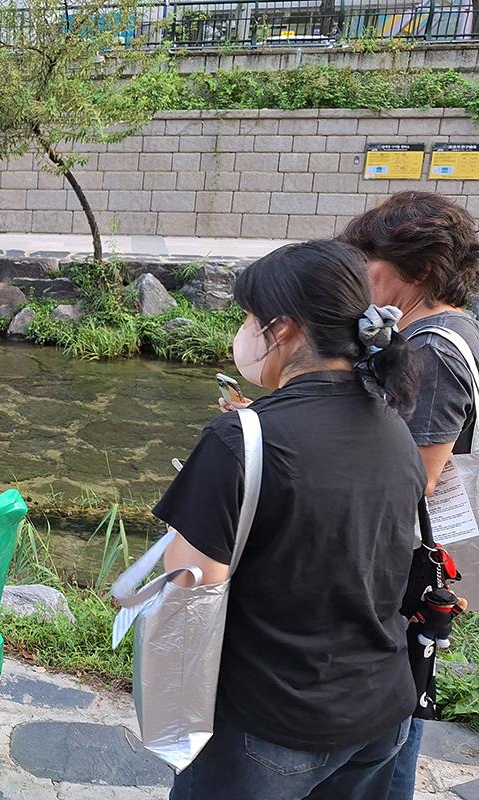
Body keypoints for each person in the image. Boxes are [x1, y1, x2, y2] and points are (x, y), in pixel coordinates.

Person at [161, 240, 424, 800]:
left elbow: (188, 579)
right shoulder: (392, 422)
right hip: (379, 710)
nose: (244, 332)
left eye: (248, 318)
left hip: (273, 723)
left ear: (281, 329)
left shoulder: (240, 440)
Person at [338, 191, 479, 800]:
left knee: (397, 699)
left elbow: (412, 478)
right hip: (414, 551)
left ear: (417, 270)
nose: (360, 279)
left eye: (370, 266)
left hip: (407, 554)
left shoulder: (433, 349)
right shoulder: (431, 331)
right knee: (403, 691)